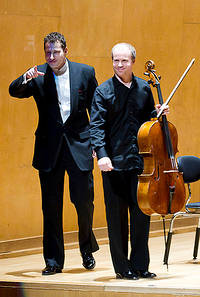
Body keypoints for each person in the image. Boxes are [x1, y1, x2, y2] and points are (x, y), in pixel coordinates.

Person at [9, 32, 99, 275]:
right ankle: (53, 261)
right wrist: (25, 77)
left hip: (80, 146)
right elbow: (13, 91)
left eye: (55, 52)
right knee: (50, 207)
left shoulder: (85, 72)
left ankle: (86, 248)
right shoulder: (37, 74)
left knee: (83, 202)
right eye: (47, 52)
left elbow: (96, 109)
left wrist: (96, 143)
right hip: (49, 149)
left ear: (65, 51)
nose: (51, 56)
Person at [90, 42, 168, 280]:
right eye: (116, 60)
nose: (119, 64)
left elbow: (148, 123)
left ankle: (141, 266)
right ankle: (122, 269)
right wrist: (101, 153)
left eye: (124, 60)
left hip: (140, 165)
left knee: (141, 216)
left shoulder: (144, 88)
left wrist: (158, 114)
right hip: (112, 164)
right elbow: (96, 127)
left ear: (133, 61)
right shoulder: (103, 91)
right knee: (116, 220)